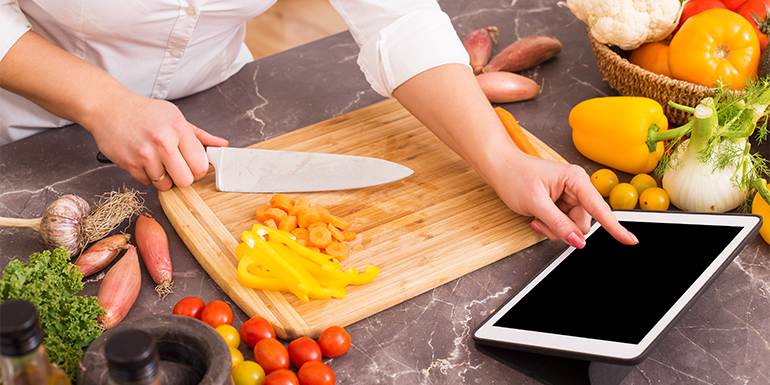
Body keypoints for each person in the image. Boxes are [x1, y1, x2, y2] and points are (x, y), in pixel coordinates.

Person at [0, 0, 638, 249]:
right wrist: (102, 102)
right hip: (33, 120)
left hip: (218, 108)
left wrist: (503, 160)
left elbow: (395, 20)